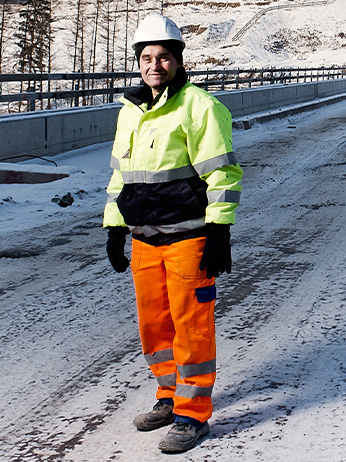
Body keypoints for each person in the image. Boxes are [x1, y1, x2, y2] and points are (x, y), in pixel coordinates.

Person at [104, 13, 243, 453]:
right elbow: (120, 178)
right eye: (147, 57)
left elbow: (222, 175)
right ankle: (168, 396)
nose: (155, 65)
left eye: (164, 57)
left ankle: (193, 414)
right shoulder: (130, 111)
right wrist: (114, 228)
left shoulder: (200, 106)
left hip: (188, 239)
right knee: (155, 326)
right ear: (138, 62)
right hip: (145, 239)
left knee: (191, 327)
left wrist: (219, 232)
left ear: (178, 61)